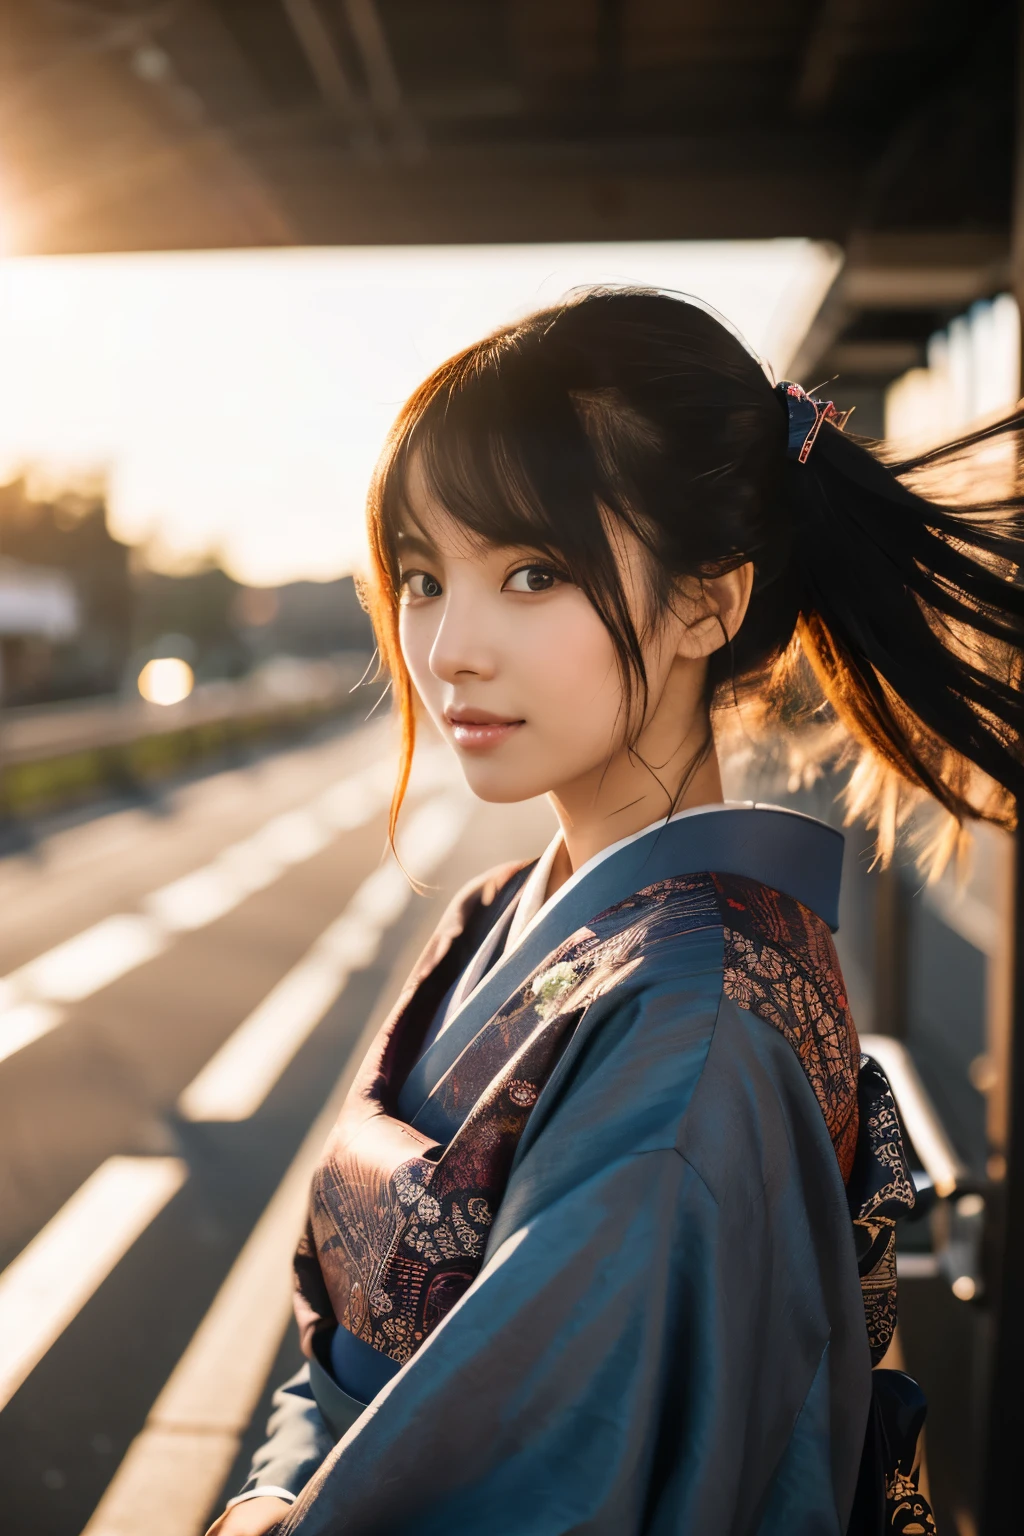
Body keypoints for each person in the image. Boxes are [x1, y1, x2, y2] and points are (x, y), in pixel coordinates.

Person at [209, 289, 1024, 1535]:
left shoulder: (691, 1030)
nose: (449, 649)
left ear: (708, 602)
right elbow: (343, 1355)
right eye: (423, 577)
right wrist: (276, 1484)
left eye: (531, 573)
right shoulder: (505, 910)